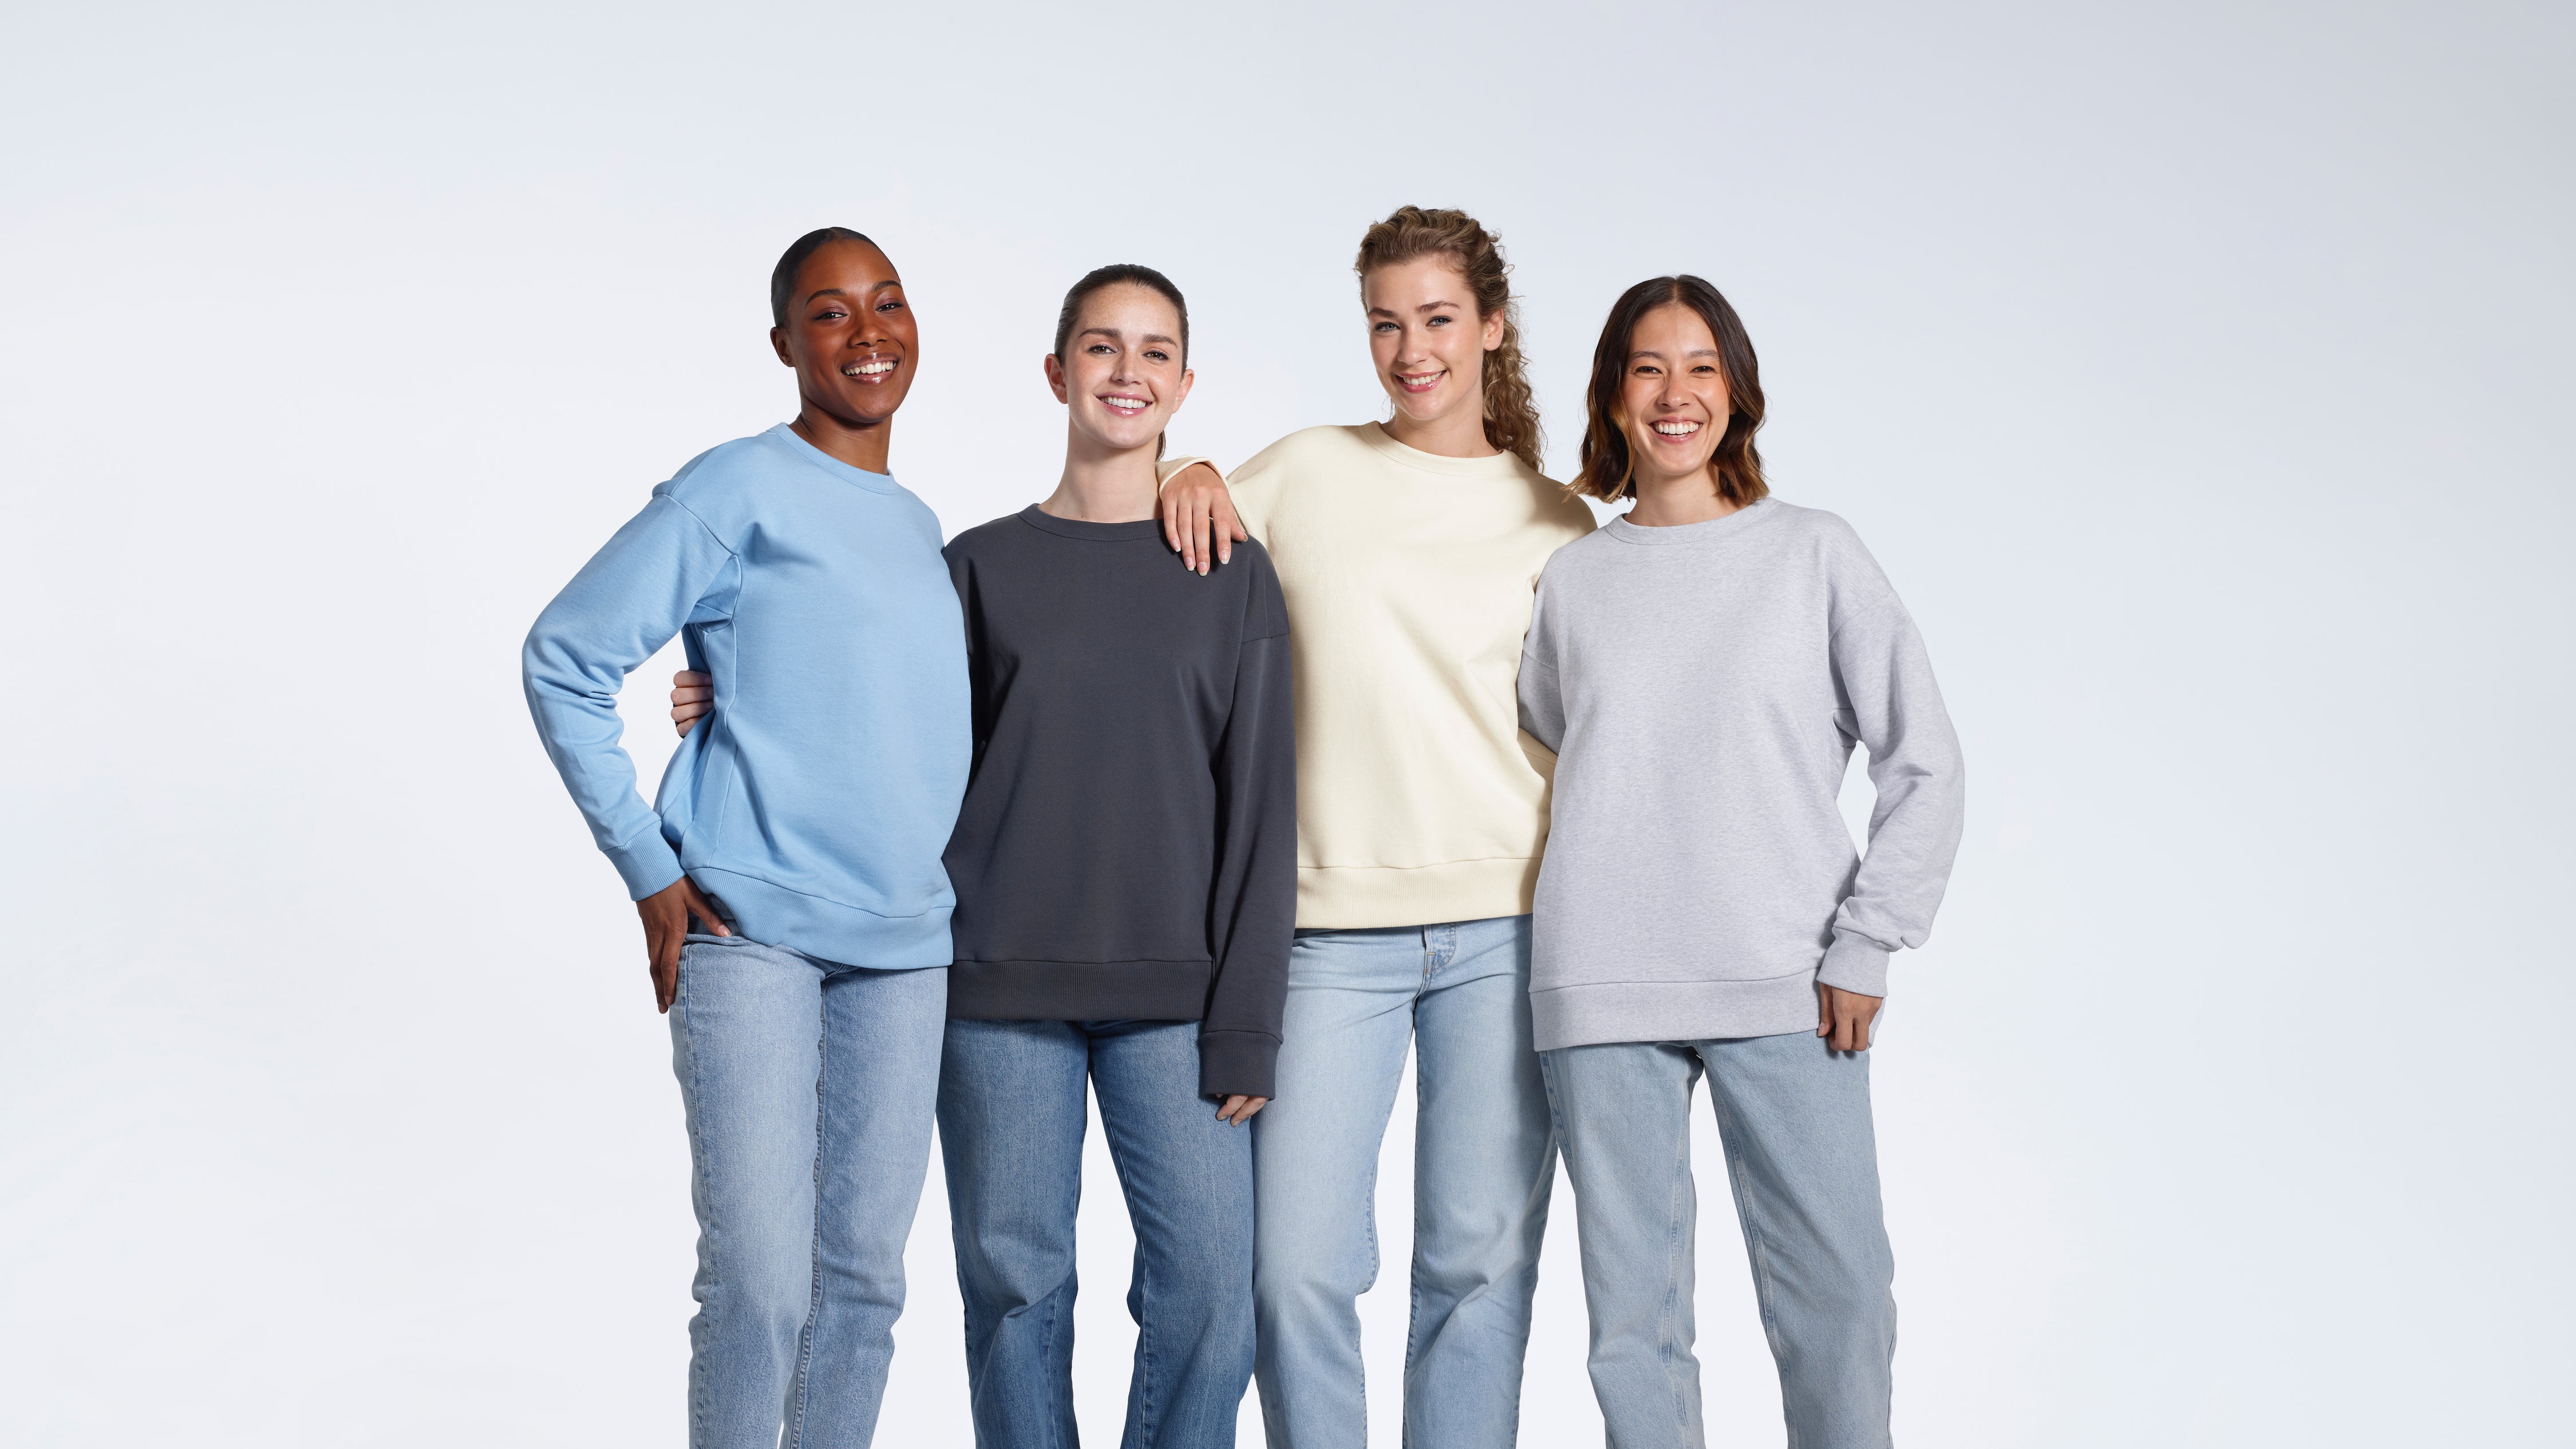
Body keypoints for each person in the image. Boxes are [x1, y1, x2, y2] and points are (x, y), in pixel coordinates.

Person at [677, 265, 1295, 1448]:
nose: (1127, 372)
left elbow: (1265, 807)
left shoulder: (1230, 571)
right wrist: (745, 695)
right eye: (1102, 347)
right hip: (995, 988)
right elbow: (878, 724)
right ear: (1058, 373)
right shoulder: (974, 567)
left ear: (1185, 385)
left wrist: (1250, 1022)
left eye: (1155, 352)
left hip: (1181, 997)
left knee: (1214, 1298)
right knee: (1017, 1295)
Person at [1151, 206, 1594, 1448]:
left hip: (1509, 927)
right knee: (1293, 1270)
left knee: (1478, 1269)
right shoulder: (1305, 472)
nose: (1411, 352)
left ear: (1492, 327)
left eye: (1438, 320)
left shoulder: (1558, 523)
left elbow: (1604, 730)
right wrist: (1184, 467)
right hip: (1326, 930)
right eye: (1385, 325)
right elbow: (1150, 565)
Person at [523, 227, 967, 1449]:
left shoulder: (920, 526)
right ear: (784, 344)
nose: (867, 333)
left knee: (863, 1292)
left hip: (906, 950)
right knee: (761, 1285)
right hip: (750, 930)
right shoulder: (735, 485)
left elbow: (874, 705)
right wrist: (646, 866)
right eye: (830, 311)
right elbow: (565, 657)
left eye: (887, 302)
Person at [1515, 275, 1966, 1449]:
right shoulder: (1576, 578)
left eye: (1702, 367)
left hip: (1790, 977)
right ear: (1614, 394)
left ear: (1739, 391)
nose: (1677, 394)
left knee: (1840, 1299)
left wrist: (1868, 942)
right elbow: (1561, 744)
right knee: (1634, 1329)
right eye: (1649, 368)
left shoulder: (1814, 553)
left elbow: (1925, 760)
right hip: (1601, 979)